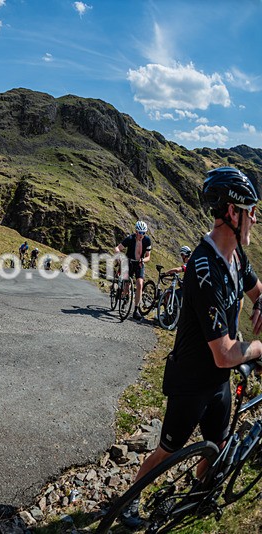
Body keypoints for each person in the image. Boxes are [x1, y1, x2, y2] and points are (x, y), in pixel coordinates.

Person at [119, 167, 262, 527]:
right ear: (233, 213)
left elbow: (258, 290)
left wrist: (259, 304)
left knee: (217, 444)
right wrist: (259, 347)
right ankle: (129, 503)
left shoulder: (236, 258)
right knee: (167, 450)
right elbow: (226, 353)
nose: (255, 219)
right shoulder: (204, 268)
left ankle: (199, 496)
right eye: (251, 211)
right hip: (192, 380)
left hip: (218, 383)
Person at [115, 220, 152, 320]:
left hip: (139, 263)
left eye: (144, 233)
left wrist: (142, 260)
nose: (141, 235)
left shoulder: (147, 240)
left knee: (140, 284)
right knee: (127, 285)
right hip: (129, 262)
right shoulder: (130, 238)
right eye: (140, 233)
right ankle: (125, 300)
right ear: (136, 231)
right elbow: (117, 248)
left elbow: (148, 257)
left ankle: (136, 310)